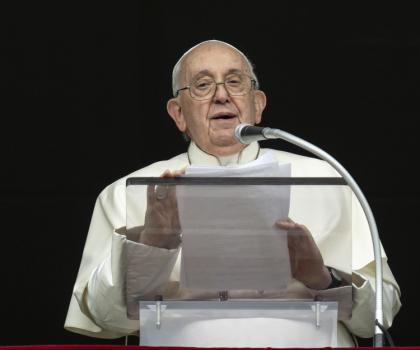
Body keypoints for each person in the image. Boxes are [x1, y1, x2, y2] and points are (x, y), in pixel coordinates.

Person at [64, 40, 401, 347]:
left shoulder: (329, 180)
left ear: (257, 104)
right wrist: (152, 244)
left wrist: (324, 280)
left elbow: (381, 315)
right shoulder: (128, 192)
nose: (221, 96)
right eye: (203, 85)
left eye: (235, 82)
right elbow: (103, 320)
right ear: (178, 113)